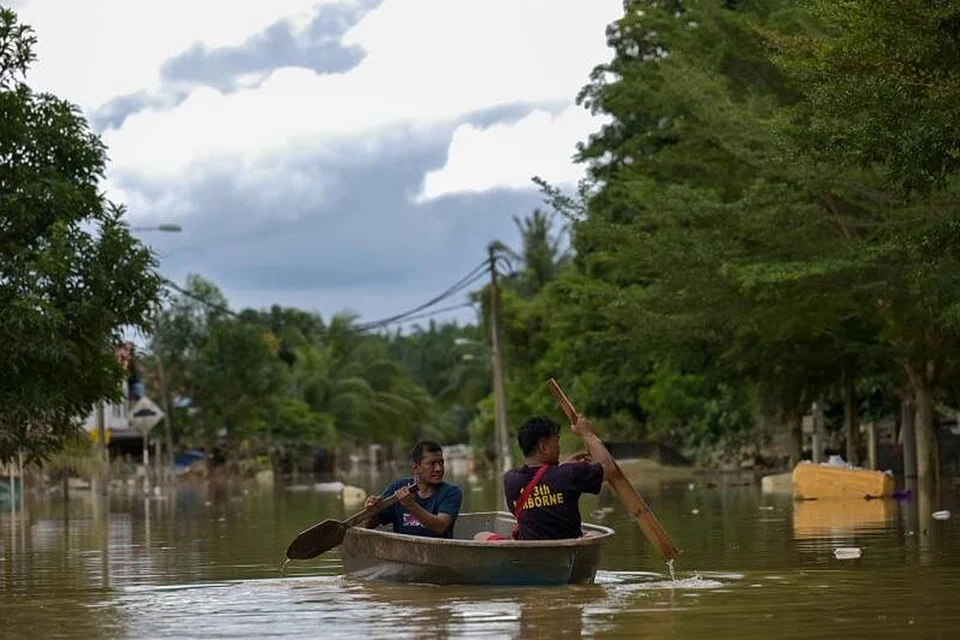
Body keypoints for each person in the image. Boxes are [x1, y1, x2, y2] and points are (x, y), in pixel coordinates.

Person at [478, 414, 616, 541]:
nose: (558, 447)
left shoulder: (510, 479)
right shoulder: (569, 474)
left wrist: (564, 466)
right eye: (556, 442)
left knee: (480, 536)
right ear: (544, 447)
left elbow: (545, 481)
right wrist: (587, 434)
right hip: (565, 550)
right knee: (594, 535)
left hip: (529, 552)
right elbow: (608, 467)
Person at [363, 440, 463, 538]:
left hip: (438, 553)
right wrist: (372, 512)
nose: (439, 469)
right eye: (432, 464)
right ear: (416, 467)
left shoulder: (451, 492)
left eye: (441, 463)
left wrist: (410, 505)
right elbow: (369, 526)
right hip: (403, 552)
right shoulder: (397, 487)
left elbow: (440, 526)